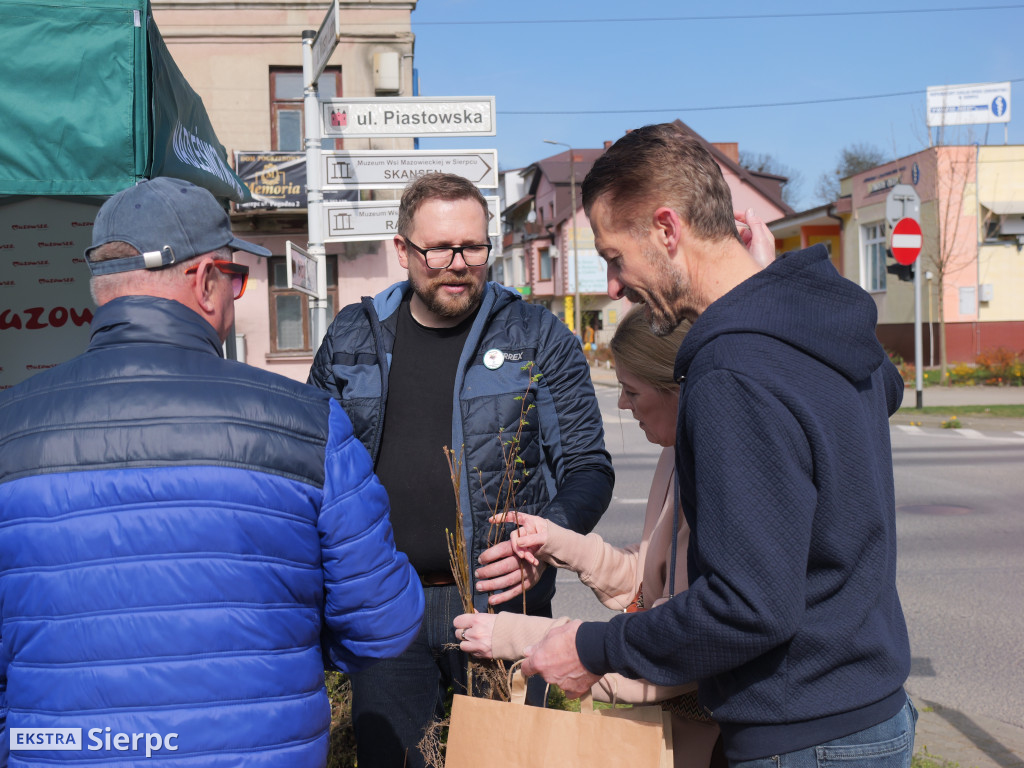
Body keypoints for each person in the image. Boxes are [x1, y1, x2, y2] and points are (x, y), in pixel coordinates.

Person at [520, 123, 916, 767]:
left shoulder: (733, 369)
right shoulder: (817, 324)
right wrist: (765, 284)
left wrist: (593, 648)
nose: (615, 286)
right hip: (871, 711)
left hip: (801, 731)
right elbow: (886, 386)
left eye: (615, 257)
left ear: (667, 230)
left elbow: (748, 607)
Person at [0, 177, 424, 767]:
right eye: (235, 279)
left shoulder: (9, 428)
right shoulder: (307, 426)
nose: (234, 298)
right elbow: (384, 621)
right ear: (204, 282)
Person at [308, 172, 614, 768]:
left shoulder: (536, 335)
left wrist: (543, 540)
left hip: (503, 608)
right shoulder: (351, 337)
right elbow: (312, 472)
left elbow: (587, 467)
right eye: (439, 248)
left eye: (473, 247)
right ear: (402, 250)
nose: (457, 264)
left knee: (511, 760)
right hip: (386, 603)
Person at [455, 307, 722, 768]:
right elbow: (650, 578)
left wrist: (516, 635)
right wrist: (559, 542)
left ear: (677, 390)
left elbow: (682, 628)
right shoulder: (678, 451)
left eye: (632, 390)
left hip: (718, 739)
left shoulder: (714, 468)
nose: (621, 404)